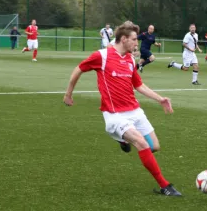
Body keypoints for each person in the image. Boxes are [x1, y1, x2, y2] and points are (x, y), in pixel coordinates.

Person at [63, 21, 181, 197]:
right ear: (124, 39)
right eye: (134, 39)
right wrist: (68, 94)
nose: (136, 43)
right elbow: (78, 69)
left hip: (134, 111)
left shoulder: (129, 60)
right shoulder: (101, 56)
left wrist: (160, 99)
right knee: (141, 143)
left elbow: (138, 85)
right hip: (114, 114)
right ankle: (165, 186)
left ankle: (123, 140)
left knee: (153, 146)